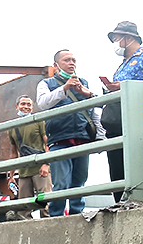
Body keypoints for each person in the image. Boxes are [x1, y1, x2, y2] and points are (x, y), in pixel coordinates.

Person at [102, 21, 143, 203]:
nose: (115, 42)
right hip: (119, 121)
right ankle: (121, 202)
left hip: (141, 118)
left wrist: (123, 87)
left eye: (117, 38)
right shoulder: (122, 65)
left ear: (128, 38)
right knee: (118, 167)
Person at [36, 50, 100, 217]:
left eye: (74, 60)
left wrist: (87, 94)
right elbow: (43, 103)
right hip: (59, 139)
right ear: (56, 65)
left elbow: (96, 108)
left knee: (79, 182)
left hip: (82, 137)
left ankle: (76, 215)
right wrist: (64, 88)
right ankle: (56, 216)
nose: (72, 63)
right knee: (61, 183)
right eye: (67, 60)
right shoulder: (47, 83)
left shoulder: (83, 82)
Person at [7, 95, 51, 217]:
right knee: (24, 208)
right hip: (24, 172)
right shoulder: (12, 127)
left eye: (29, 105)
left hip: (40, 170)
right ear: (17, 107)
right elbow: (14, 153)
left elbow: (48, 144)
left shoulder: (38, 121)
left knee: (45, 204)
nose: (26, 107)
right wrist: (10, 176)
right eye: (23, 104)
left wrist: (46, 164)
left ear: (32, 108)